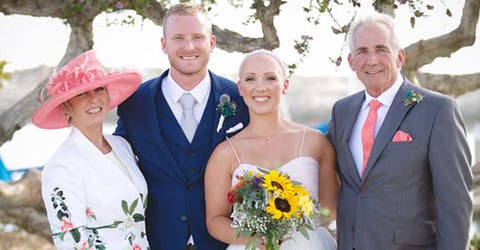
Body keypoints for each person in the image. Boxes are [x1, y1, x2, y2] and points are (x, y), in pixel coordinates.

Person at [327, 13, 473, 250]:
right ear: (351, 61)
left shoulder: (437, 110)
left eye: (381, 49)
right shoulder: (342, 111)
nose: (371, 60)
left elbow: (454, 202)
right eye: (362, 51)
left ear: (400, 56)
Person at [114, 3, 249, 250]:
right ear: (164, 44)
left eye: (198, 37)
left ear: (212, 43)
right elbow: (116, 165)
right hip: (158, 241)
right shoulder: (134, 103)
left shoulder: (241, 99)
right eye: (178, 38)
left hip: (224, 243)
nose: (189, 47)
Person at [204, 49, 339, 250]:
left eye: (270, 78)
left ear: (285, 85)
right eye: (250, 79)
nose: (260, 87)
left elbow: (334, 209)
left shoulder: (315, 142)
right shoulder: (225, 153)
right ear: (240, 88)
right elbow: (215, 220)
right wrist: (255, 238)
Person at [32, 50, 150, 249]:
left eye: (99, 89)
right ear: (66, 107)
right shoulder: (61, 167)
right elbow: (72, 243)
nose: (94, 98)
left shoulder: (122, 146)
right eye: (81, 93)